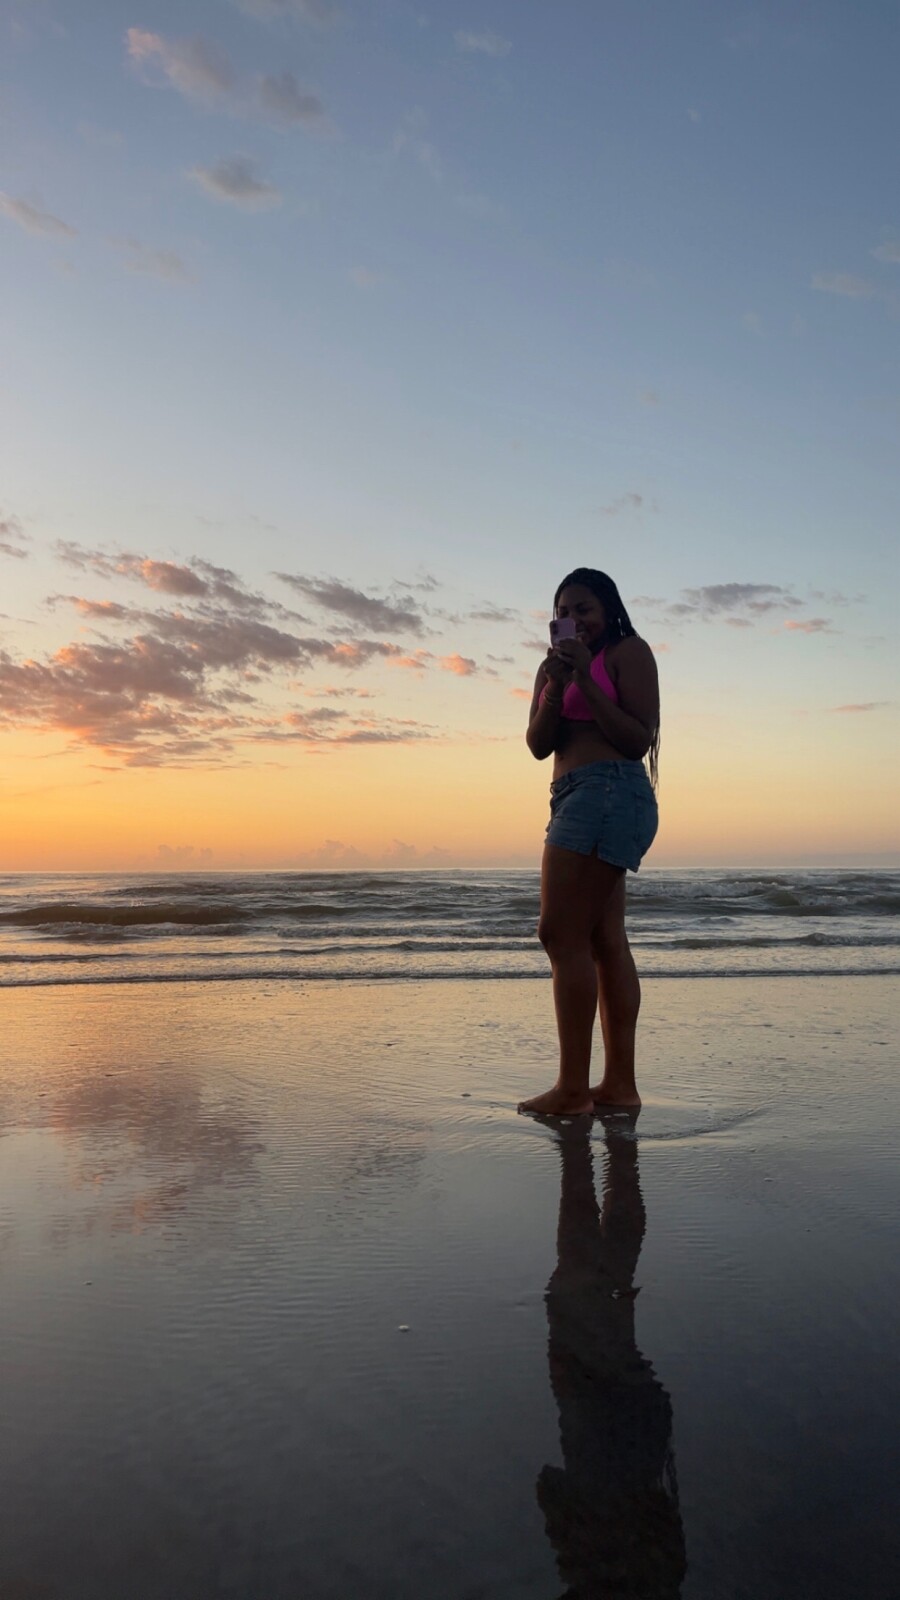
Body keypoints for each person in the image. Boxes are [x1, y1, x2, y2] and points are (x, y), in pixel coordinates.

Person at [520, 569, 660, 1117]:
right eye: (563, 612)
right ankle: (618, 1087)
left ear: (608, 610)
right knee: (603, 939)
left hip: (609, 790)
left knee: (559, 933)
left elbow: (636, 739)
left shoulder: (628, 652)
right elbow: (538, 745)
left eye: (584, 609)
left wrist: (586, 676)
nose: (574, 620)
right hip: (572, 796)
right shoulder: (549, 669)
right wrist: (557, 685)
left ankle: (573, 1090)